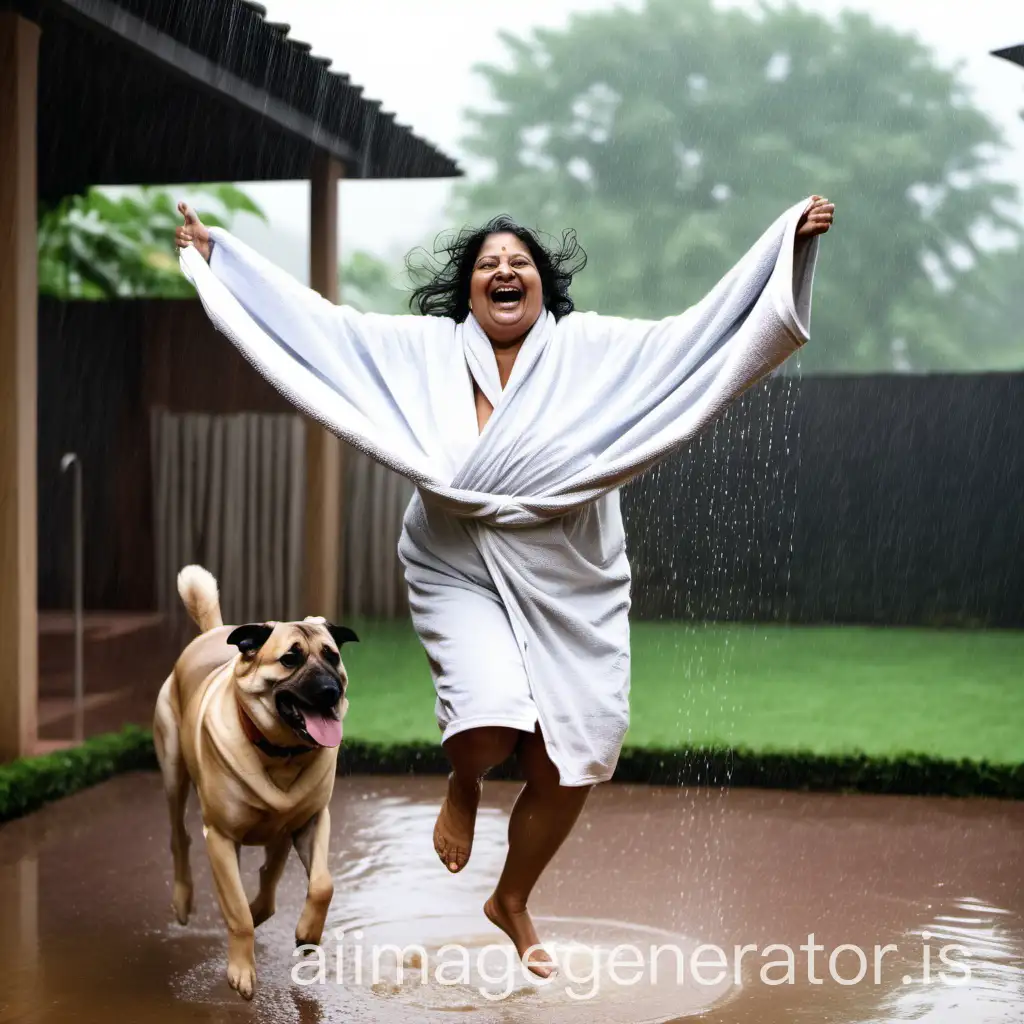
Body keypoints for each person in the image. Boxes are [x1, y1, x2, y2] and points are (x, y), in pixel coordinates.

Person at [174, 194, 834, 978]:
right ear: (470, 291)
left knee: (571, 757)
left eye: (518, 261)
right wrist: (227, 262)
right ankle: (463, 783)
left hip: (571, 575)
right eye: (488, 264)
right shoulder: (426, 351)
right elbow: (327, 327)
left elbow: (692, 339)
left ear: (542, 285)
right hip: (458, 558)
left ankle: (512, 898)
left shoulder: (590, 349)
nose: (504, 271)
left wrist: (780, 248)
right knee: (487, 724)